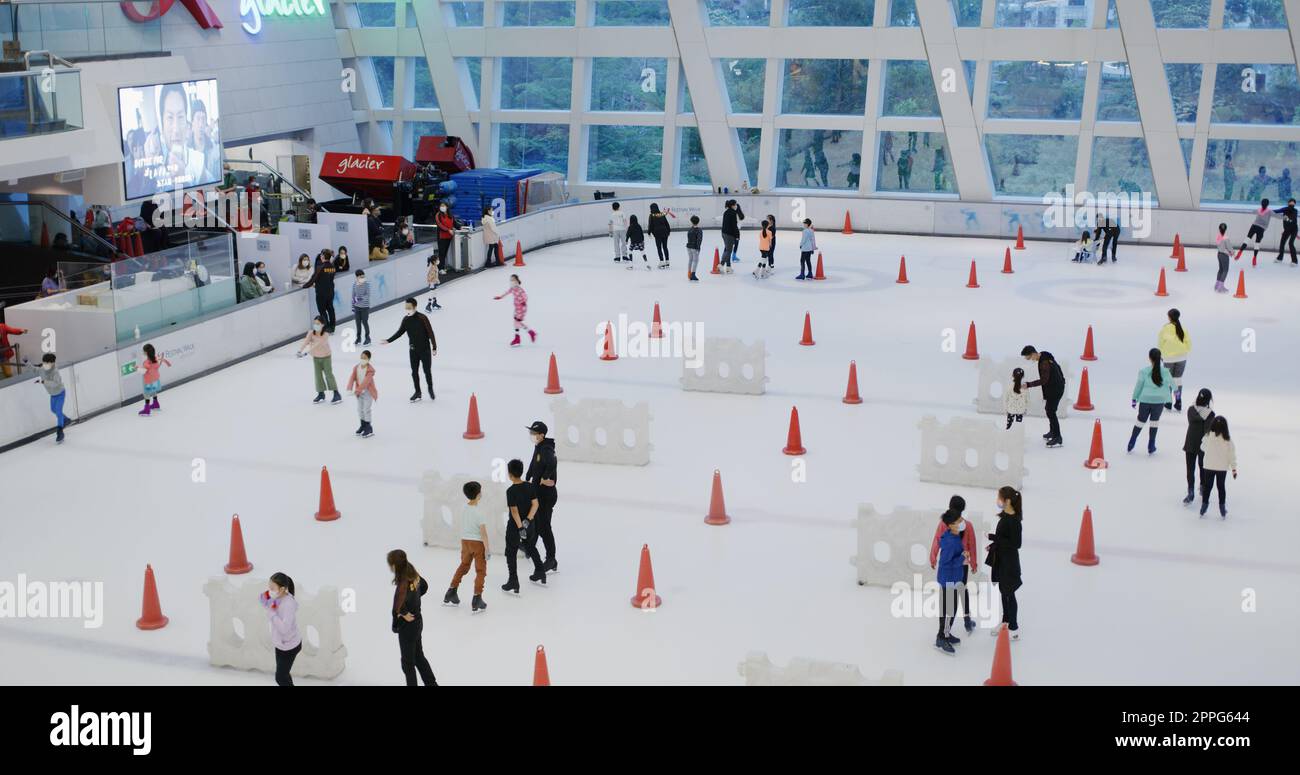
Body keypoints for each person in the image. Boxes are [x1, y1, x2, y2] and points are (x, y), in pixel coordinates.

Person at [928, 495, 978, 639]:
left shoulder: (945, 524)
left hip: (952, 565)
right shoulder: (966, 525)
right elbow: (972, 545)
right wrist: (973, 562)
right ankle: (964, 622)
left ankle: (946, 631)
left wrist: (933, 558)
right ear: (963, 509)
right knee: (960, 591)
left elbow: (937, 541)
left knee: (952, 597)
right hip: (957, 565)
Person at [387, 549, 437, 685]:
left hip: (407, 628)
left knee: (407, 664)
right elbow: (424, 586)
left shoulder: (403, 583)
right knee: (419, 657)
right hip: (418, 622)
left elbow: (396, 606)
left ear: (394, 566)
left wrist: (402, 614)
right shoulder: (412, 573)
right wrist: (413, 599)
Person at [443, 481, 489, 614]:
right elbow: (484, 534)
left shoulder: (463, 509)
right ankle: (477, 598)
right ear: (478, 494)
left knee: (463, 566)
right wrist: (488, 550)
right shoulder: (479, 512)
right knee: (480, 571)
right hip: (478, 544)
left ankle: (451, 591)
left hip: (465, 542)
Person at [503, 459, 547, 593]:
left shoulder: (510, 491)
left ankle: (513, 581)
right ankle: (540, 571)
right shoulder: (529, 486)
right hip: (530, 524)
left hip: (515, 527)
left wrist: (520, 527)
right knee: (530, 546)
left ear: (510, 474)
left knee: (511, 551)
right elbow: (535, 504)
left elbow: (514, 511)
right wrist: (527, 520)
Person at [381, 298, 437, 402]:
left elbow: (430, 332)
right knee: (414, 372)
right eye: (406, 307)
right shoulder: (406, 320)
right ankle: (418, 392)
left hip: (425, 350)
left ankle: (430, 388)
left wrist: (434, 347)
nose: (407, 309)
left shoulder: (422, 318)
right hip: (413, 350)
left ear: (415, 307)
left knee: (427, 371)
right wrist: (388, 340)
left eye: (409, 308)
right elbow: (400, 332)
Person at [986, 486, 1022, 640]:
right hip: (1002, 561)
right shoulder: (1005, 516)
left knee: (1009, 593)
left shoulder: (1014, 521)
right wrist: (994, 545)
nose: (997, 501)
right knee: (1003, 592)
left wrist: (995, 539)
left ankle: (1013, 628)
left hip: (1009, 564)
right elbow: (1004, 540)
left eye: (999, 498)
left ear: (1007, 501)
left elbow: (1016, 543)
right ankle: (1005, 621)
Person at [525, 421, 559, 574]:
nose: (531, 435)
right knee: (537, 523)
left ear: (541, 435)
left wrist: (545, 477)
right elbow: (534, 463)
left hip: (546, 495)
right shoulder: (538, 447)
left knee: (544, 527)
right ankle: (528, 545)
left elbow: (552, 463)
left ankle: (551, 559)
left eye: (534, 433)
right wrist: (528, 476)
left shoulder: (546, 449)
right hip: (538, 493)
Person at [933, 509, 968, 656]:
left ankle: (945, 633)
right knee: (949, 610)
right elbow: (946, 563)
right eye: (958, 521)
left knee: (949, 609)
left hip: (953, 578)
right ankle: (942, 637)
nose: (962, 522)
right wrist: (962, 557)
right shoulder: (948, 542)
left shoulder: (954, 536)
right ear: (950, 525)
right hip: (949, 579)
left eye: (961, 519)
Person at [1128, 347, 1174, 455]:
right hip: (1159, 401)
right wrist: (1176, 394)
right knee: (1154, 423)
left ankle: (1132, 442)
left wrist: (1134, 398)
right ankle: (1151, 445)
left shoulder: (1144, 371)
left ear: (1149, 358)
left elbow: (1139, 386)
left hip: (1145, 400)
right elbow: (1173, 384)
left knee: (1140, 421)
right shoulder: (1165, 372)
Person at [259, 573, 301, 687]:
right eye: (269, 586)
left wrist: (272, 614)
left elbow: (284, 629)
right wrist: (269, 601)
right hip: (280, 644)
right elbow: (262, 599)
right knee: (284, 675)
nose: (270, 590)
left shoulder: (288, 604)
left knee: (280, 677)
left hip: (289, 646)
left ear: (282, 589)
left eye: (272, 588)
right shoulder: (277, 597)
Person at [1021, 346, 1066, 447]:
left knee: (1051, 412)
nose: (1030, 360)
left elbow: (1043, 380)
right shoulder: (1045, 356)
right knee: (1049, 410)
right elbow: (1058, 367)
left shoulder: (1044, 363)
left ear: (1033, 354)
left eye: (1029, 358)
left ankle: (1057, 437)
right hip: (1056, 387)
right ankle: (1053, 432)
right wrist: (1062, 380)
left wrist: (1028, 385)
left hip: (1055, 390)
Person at [296, 316, 342, 405]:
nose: (315, 325)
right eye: (314, 323)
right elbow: (306, 341)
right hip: (316, 357)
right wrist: (300, 350)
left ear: (322, 325)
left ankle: (336, 393)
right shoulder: (311, 333)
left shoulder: (325, 334)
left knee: (328, 374)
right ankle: (321, 393)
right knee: (318, 375)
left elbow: (318, 344)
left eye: (318, 324)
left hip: (326, 357)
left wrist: (306, 352)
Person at [1199, 416, 1237, 519]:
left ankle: (1204, 506)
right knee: (1221, 487)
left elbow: (1202, 447)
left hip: (1209, 466)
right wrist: (1234, 469)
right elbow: (1231, 455)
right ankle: (1222, 508)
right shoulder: (1228, 440)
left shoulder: (1208, 437)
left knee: (1207, 487)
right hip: (1222, 468)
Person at [1182, 388, 1215, 505]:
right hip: (1203, 445)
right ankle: (1203, 487)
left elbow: (1192, 421)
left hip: (1190, 443)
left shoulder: (1191, 410)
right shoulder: (1210, 414)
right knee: (1203, 467)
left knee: (1190, 468)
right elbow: (1208, 430)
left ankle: (1190, 491)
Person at [1157, 309, 1191, 410]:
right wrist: (1184, 352)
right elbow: (1188, 343)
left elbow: (1160, 343)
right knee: (1178, 380)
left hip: (1168, 358)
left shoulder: (1165, 329)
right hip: (1182, 357)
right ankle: (1178, 400)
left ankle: (1168, 401)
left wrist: (1162, 355)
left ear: (1169, 317)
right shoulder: (1183, 329)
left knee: (1169, 380)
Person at [493, 274, 536, 348]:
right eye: (511, 280)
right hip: (517, 308)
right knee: (517, 322)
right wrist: (500, 297)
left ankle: (520, 337)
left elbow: (525, 296)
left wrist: (523, 302)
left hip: (522, 308)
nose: (512, 281)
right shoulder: (512, 289)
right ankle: (529, 333)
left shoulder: (519, 289)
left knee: (517, 322)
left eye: (513, 280)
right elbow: (506, 293)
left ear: (517, 281)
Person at [301, 250, 338, 332]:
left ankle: (327, 327)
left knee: (322, 310)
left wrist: (304, 286)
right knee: (330, 309)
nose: (320, 256)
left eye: (321, 255)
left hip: (321, 293)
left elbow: (313, 279)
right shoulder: (332, 267)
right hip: (330, 291)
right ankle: (332, 327)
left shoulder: (320, 267)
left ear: (323, 257)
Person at [36, 353, 68, 444]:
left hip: (60, 393)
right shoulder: (42, 369)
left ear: (52, 363)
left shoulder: (55, 372)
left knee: (58, 411)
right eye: (44, 362)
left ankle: (60, 431)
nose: (45, 364)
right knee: (53, 410)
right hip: (53, 395)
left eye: (47, 363)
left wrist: (43, 381)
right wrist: (27, 363)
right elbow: (35, 369)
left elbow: (55, 384)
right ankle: (65, 419)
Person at [347, 349, 377, 438]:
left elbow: (366, 382)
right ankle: (363, 425)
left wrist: (358, 390)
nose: (362, 359)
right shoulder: (356, 367)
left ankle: (369, 427)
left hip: (367, 392)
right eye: (361, 357)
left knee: (366, 409)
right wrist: (349, 387)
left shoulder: (370, 370)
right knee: (360, 409)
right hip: (359, 392)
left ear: (368, 359)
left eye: (364, 358)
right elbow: (352, 378)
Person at [136, 343, 171, 417]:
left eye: (143, 351)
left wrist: (136, 368)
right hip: (156, 380)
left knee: (146, 394)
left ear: (146, 352)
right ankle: (156, 404)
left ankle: (147, 409)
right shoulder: (156, 359)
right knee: (154, 391)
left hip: (148, 381)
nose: (142, 352)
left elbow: (143, 371)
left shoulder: (146, 363)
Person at [1236, 199, 1275, 264]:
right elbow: (1278, 216)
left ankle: (1240, 252)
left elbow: (1252, 211)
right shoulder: (1270, 211)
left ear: (1261, 203)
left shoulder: (1258, 210)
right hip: (1261, 229)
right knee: (1257, 243)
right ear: (1268, 204)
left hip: (1254, 226)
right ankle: (1254, 258)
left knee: (1247, 239)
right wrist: (1286, 218)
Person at [720, 199, 744, 272]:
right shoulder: (733, 213)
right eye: (735, 204)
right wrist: (737, 236)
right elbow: (734, 226)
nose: (736, 206)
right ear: (733, 205)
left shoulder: (726, 212)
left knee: (727, 249)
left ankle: (728, 267)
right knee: (728, 251)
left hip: (724, 233)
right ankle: (721, 264)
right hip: (729, 234)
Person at [648, 203, 672, 269]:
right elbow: (666, 223)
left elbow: (650, 225)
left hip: (657, 233)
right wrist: (668, 231)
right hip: (665, 232)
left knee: (659, 247)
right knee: (665, 247)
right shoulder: (661, 214)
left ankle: (661, 262)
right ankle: (667, 261)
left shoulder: (652, 215)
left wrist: (649, 232)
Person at [1274, 197, 1297, 265]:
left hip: (1294, 229)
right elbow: (1276, 211)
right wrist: (1267, 211)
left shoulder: (1295, 210)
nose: (1292, 203)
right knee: (1282, 243)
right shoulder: (1285, 209)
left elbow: (1292, 219)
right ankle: (1280, 258)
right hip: (1286, 230)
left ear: (1295, 204)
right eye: (1291, 202)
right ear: (1288, 203)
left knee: (1291, 243)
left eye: (1293, 202)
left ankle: (1294, 261)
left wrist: (1286, 218)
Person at [351, 269, 371, 346]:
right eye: (359, 276)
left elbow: (367, 295)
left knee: (364, 322)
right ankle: (358, 338)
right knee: (358, 323)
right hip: (357, 307)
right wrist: (353, 307)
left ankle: (367, 338)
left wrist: (359, 298)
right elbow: (353, 296)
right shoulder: (354, 284)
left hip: (365, 307)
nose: (361, 277)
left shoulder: (367, 284)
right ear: (357, 277)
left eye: (362, 275)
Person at [435, 203, 456, 274]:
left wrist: (460, 227)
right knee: (441, 252)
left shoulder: (450, 214)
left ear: (447, 207)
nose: (442, 207)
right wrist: (448, 230)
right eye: (441, 206)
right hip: (441, 236)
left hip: (449, 236)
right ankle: (440, 268)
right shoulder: (438, 215)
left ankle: (441, 266)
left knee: (445, 252)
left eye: (443, 206)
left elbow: (454, 223)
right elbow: (439, 225)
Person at [1214, 222, 1232, 293]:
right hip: (1224, 255)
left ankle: (1217, 285)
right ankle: (1220, 287)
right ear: (1226, 229)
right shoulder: (1226, 238)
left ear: (1219, 229)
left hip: (1219, 254)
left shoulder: (1218, 237)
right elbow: (1229, 248)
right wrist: (1233, 253)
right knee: (1225, 270)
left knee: (1221, 269)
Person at [685, 214, 703, 282]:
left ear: (691, 222)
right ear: (698, 222)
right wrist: (698, 248)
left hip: (688, 246)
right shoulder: (699, 230)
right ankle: (693, 274)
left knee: (690, 260)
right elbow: (699, 240)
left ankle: (689, 273)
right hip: (694, 247)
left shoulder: (690, 229)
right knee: (695, 261)